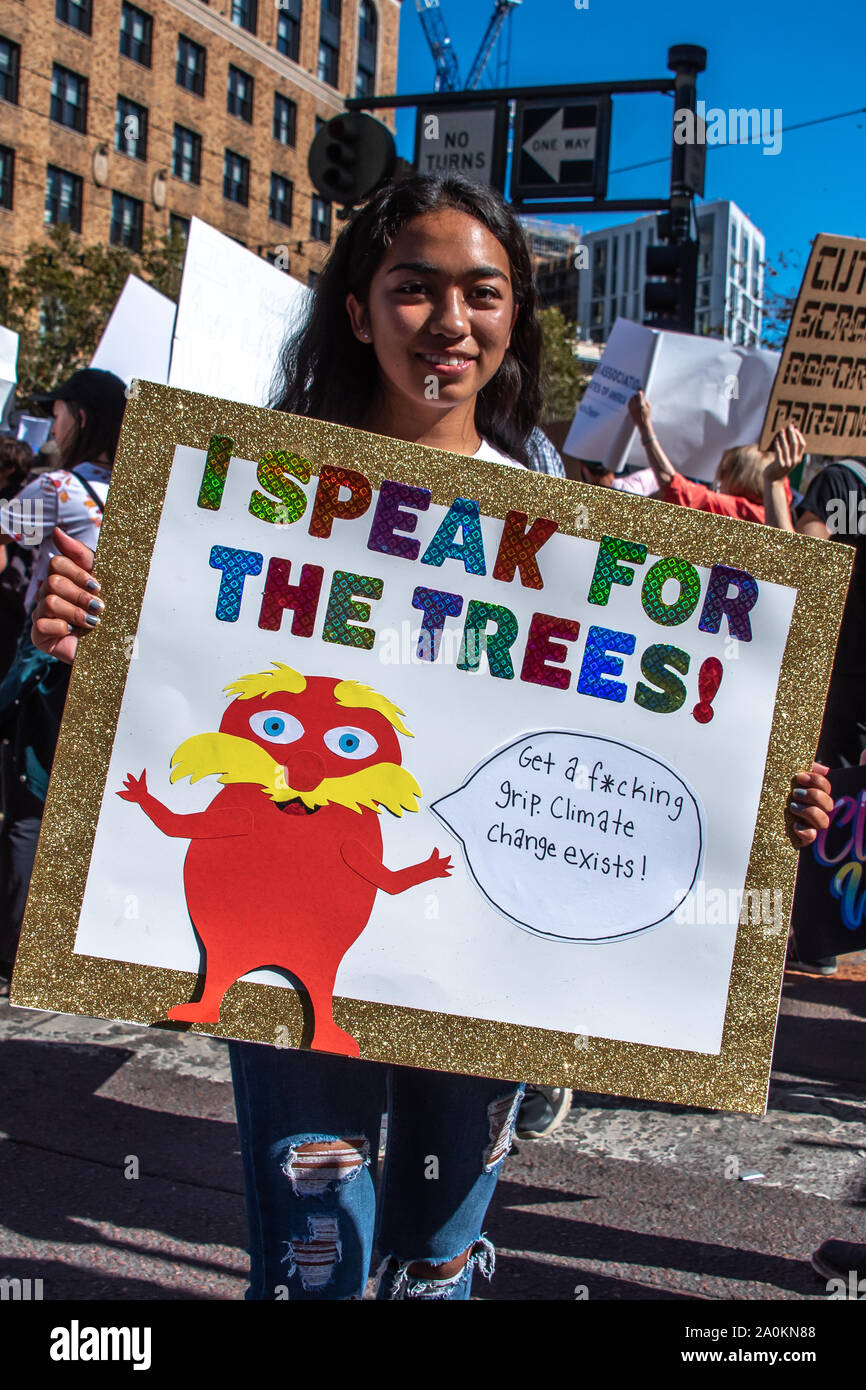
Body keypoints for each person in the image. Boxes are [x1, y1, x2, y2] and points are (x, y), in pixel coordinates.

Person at [29, 175, 835, 1300]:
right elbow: (151, 729)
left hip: (486, 953)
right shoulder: (245, 488)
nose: (449, 321)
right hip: (298, 926)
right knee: (318, 1256)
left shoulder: (561, 514)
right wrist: (83, 649)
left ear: (514, 319)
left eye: (481, 292)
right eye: (413, 289)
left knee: (435, 1261)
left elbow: (656, 732)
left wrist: (763, 795)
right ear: (357, 310)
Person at [0, 368, 125, 987]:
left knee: (31, 800)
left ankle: (18, 947)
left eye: (57, 413)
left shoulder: (52, 487)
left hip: (52, 661)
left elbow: (3, 539)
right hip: (111, 667)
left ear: (79, 415)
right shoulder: (138, 485)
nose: (52, 425)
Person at [627, 390, 802, 523]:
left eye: (724, 471)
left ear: (740, 475)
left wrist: (645, 428)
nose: (719, 479)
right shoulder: (779, 509)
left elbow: (675, 487)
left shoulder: (739, 510)